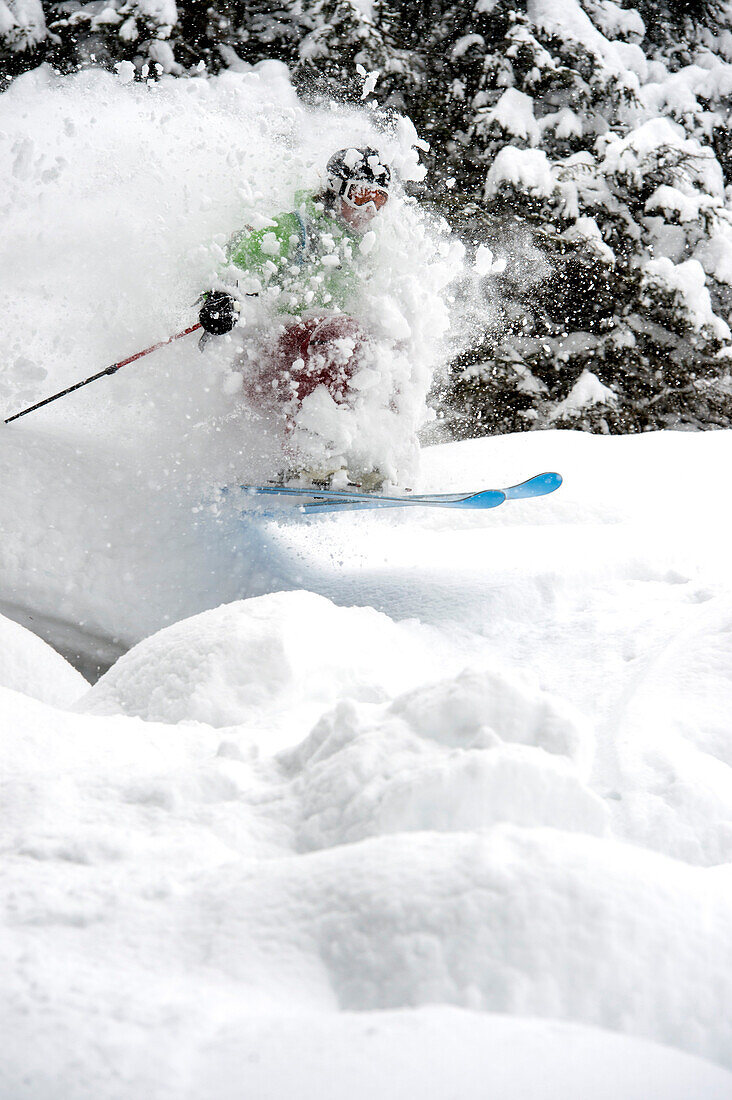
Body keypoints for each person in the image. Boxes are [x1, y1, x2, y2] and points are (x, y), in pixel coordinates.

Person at [198, 146, 393, 486]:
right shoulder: (291, 231)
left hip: (314, 367)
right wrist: (220, 301)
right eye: (360, 195)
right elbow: (227, 268)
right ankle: (310, 456)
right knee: (338, 332)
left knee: (383, 344)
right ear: (335, 190)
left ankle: (365, 453)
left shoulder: (366, 250)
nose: (369, 210)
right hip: (266, 369)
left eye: (379, 199)